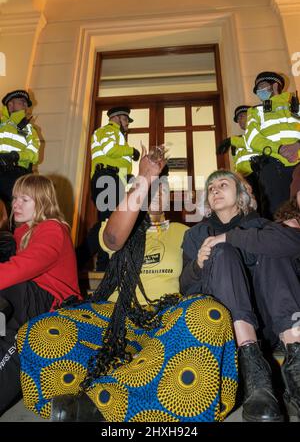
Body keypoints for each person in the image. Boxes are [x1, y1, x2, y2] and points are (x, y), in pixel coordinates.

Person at [18, 149, 237, 422]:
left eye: (162, 187)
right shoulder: (113, 224)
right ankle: (119, 398)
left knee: (208, 316)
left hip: (164, 322)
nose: (156, 191)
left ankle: (94, 404)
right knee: (38, 332)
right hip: (113, 318)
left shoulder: (186, 231)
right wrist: (144, 177)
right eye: (149, 187)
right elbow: (112, 239)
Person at [180, 169, 300, 422]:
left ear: (243, 194)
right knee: (222, 252)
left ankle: (296, 359)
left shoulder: (264, 226)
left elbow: (294, 244)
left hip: (271, 322)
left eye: (223, 184)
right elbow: (184, 287)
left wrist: (231, 236)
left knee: (272, 249)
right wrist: (196, 267)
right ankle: (254, 372)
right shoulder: (195, 235)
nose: (214, 190)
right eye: (210, 187)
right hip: (226, 328)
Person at [0, 174, 82, 415]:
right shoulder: (20, 234)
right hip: (28, 303)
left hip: (53, 305)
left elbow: (21, 269)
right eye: (15, 198)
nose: (15, 204)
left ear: (43, 202)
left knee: (14, 285)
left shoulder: (52, 229)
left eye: (25, 199)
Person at [76, 106, 140, 272]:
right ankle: (100, 266)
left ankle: (88, 262)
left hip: (111, 179)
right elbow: (110, 150)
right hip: (106, 179)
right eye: (125, 119)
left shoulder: (116, 135)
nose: (127, 124)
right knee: (109, 224)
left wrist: (128, 178)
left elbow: (115, 162)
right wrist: (132, 150)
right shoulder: (109, 131)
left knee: (108, 222)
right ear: (116, 118)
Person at [244, 71, 300, 219]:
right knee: (275, 213)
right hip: (272, 166)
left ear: (275, 85)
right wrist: (279, 149)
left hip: (298, 163)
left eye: (262, 86)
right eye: (257, 90)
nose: (259, 92)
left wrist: (297, 146)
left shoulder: (296, 104)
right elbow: (251, 138)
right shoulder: (256, 111)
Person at [0, 90, 40, 206]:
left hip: (17, 175)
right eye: (22, 102)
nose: (25, 105)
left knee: (16, 210)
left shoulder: (29, 129)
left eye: (26, 103)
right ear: (10, 105)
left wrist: (15, 156)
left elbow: (34, 154)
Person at [217, 105, 260, 210]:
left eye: (242, 116)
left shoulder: (259, 131)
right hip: (244, 180)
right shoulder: (239, 140)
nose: (239, 120)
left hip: (259, 178)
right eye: (238, 119)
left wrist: (232, 140)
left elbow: (256, 143)